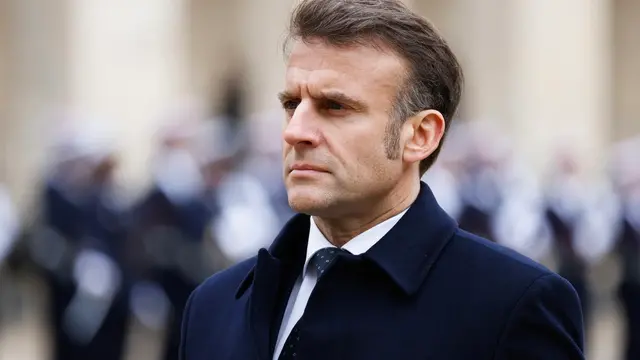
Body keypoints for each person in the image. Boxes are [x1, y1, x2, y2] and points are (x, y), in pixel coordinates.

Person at [179, 1, 585, 359]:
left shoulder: (512, 304)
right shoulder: (214, 305)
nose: (294, 131)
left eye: (335, 106)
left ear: (420, 135)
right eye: (291, 104)